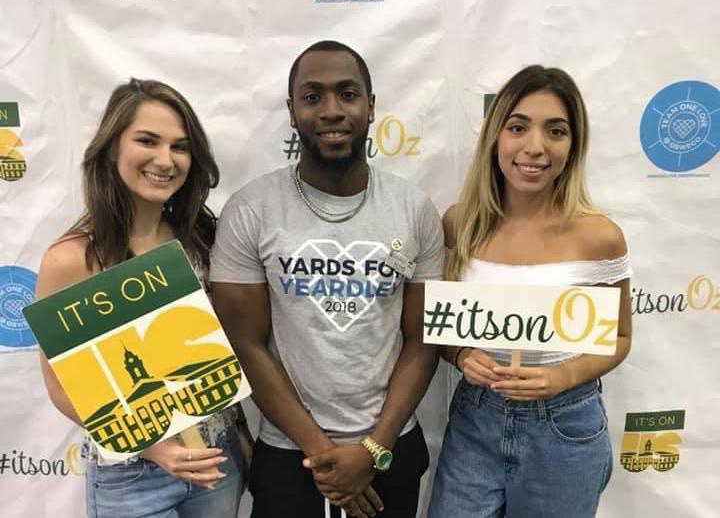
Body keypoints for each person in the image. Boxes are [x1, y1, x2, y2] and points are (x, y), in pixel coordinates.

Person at [210, 40, 445, 518]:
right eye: (313, 96)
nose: (332, 110)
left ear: (371, 106)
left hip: (390, 448)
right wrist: (325, 456)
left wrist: (372, 451)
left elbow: (420, 340)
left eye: (348, 94)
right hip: (290, 453)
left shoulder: (413, 209)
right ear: (292, 110)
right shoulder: (251, 210)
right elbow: (246, 344)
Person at [36, 78, 250, 518]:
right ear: (113, 147)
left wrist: (240, 436)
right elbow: (61, 388)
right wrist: (156, 449)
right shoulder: (72, 259)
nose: (165, 160)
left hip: (216, 459)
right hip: (130, 473)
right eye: (147, 141)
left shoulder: (203, 241)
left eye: (180, 146)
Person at [428, 65, 632, 518]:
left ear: (573, 144)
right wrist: (462, 356)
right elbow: (441, 327)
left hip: (565, 427)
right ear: (496, 136)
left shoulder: (600, 236)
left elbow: (620, 338)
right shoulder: (459, 223)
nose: (535, 147)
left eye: (555, 131)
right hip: (474, 421)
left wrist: (560, 377)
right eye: (518, 127)